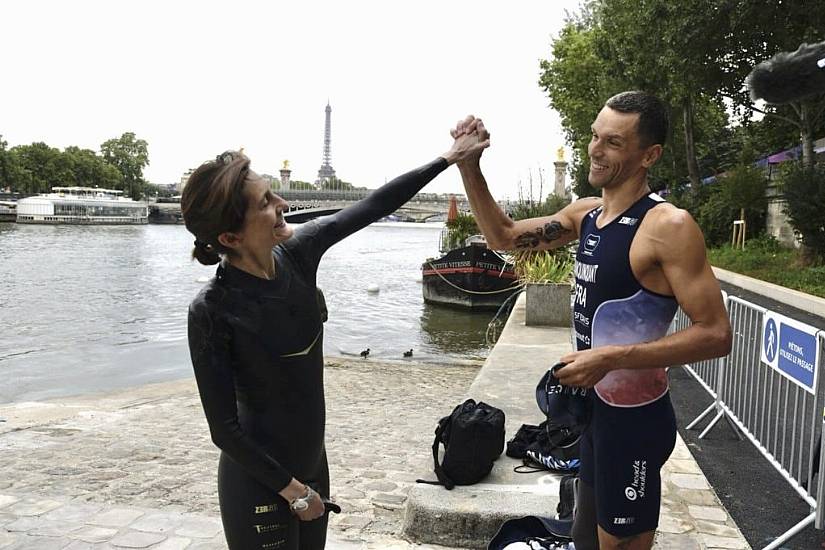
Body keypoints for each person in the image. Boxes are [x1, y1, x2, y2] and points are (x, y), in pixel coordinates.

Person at [450, 91, 732, 550]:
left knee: (620, 544)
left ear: (649, 155)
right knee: (586, 537)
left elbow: (716, 335)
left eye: (613, 142)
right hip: (593, 411)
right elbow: (502, 237)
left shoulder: (667, 226)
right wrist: (469, 167)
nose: (596, 151)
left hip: (634, 419)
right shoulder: (587, 215)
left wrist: (612, 357)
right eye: (594, 137)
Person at [182, 132, 488, 550]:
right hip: (257, 482)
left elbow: (374, 205)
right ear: (231, 238)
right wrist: (293, 491)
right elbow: (225, 430)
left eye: (274, 194)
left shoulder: (299, 253)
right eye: (265, 203)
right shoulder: (212, 310)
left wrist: (448, 158)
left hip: (312, 465)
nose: (283, 206)